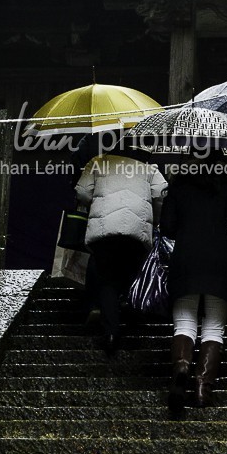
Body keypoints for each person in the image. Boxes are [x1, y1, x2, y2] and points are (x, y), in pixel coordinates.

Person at [160, 160, 227, 413]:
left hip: (186, 261)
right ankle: (202, 389)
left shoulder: (179, 186)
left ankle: (182, 367)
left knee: (184, 324)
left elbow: (167, 227)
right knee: (213, 329)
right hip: (220, 264)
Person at [74, 151, 166, 354]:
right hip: (137, 230)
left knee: (107, 280)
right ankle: (134, 324)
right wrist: (156, 218)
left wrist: (97, 201)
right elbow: (161, 194)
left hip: (104, 229)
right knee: (133, 275)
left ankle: (111, 333)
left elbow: (82, 192)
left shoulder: (97, 162)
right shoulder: (148, 168)